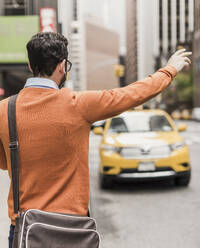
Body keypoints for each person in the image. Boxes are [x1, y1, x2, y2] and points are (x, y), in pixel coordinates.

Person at [0, 32, 191, 248]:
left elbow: (6, 162)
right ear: (62, 66)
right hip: (70, 229)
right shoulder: (78, 104)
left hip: (25, 230)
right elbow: (131, 94)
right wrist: (169, 70)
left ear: (29, 64)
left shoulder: (5, 109)